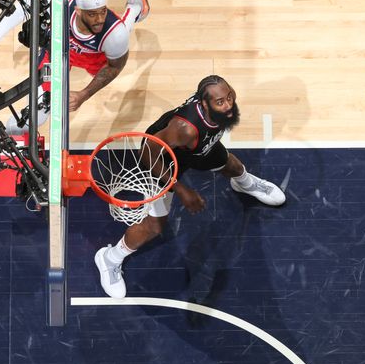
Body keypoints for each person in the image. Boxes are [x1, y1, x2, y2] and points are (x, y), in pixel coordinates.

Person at [94, 75, 286, 298]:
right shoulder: (184, 128)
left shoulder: (218, 109)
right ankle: (110, 258)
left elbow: (220, 113)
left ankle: (245, 184)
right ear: (204, 104)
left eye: (230, 97)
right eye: (220, 102)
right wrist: (181, 189)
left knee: (228, 162)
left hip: (195, 148)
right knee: (154, 227)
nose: (228, 105)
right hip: (162, 161)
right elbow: (148, 150)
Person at [0, 0, 150, 133]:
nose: (100, 19)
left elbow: (115, 67)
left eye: (103, 12)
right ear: (78, 11)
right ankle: (10, 132)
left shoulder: (114, 33)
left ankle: (134, 8)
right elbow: (24, 6)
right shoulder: (58, 3)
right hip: (59, 49)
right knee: (41, 104)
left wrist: (84, 94)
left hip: (93, 57)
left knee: (121, 30)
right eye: (92, 14)